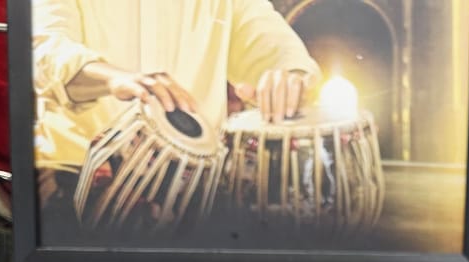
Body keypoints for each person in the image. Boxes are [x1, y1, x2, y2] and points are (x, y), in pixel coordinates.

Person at [34, 0, 321, 175]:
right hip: (76, 174)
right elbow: (44, 49)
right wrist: (114, 78)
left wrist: (291, 76)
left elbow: (274, 45)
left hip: (194, 184)